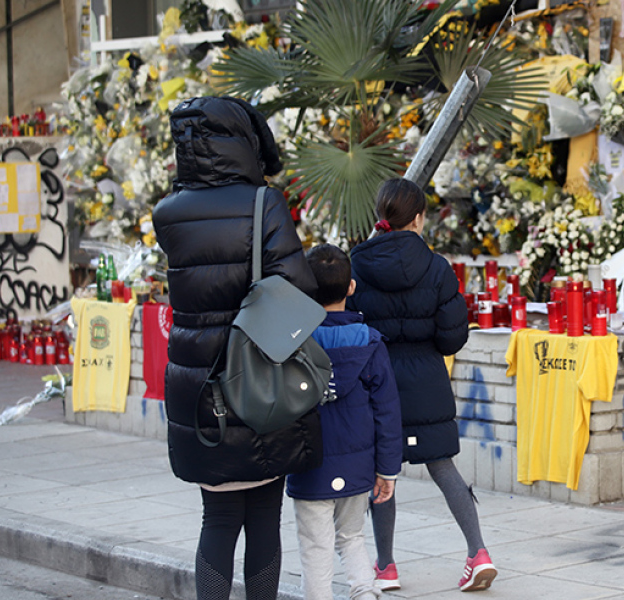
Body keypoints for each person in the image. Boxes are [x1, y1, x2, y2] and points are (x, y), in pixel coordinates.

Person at [152, 96, 323, 600]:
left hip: (198, 383)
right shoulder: (261, 203)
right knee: (265, 514)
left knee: (218, 515)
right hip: (257, 375)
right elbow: (298, 288)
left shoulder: (169, 213)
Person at [346, 177, 497, 593]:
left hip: (377, 382)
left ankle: (387, 566)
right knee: (444, 466)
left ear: (382, 216)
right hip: (428, 379)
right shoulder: (436, 267)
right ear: (418, 218)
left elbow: (351, 325)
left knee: (383, 471)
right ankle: (478, 552)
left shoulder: (357, 264)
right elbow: (454, 335)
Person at [287, 244, 403, 600]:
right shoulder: (370, 343)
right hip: (357, 464)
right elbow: (387, 411)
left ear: (304, 288)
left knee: (315, 546)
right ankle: (365, 594)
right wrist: (388, 470)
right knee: (352, 537)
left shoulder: (293, 344)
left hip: (309, 462)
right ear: (351, 287)